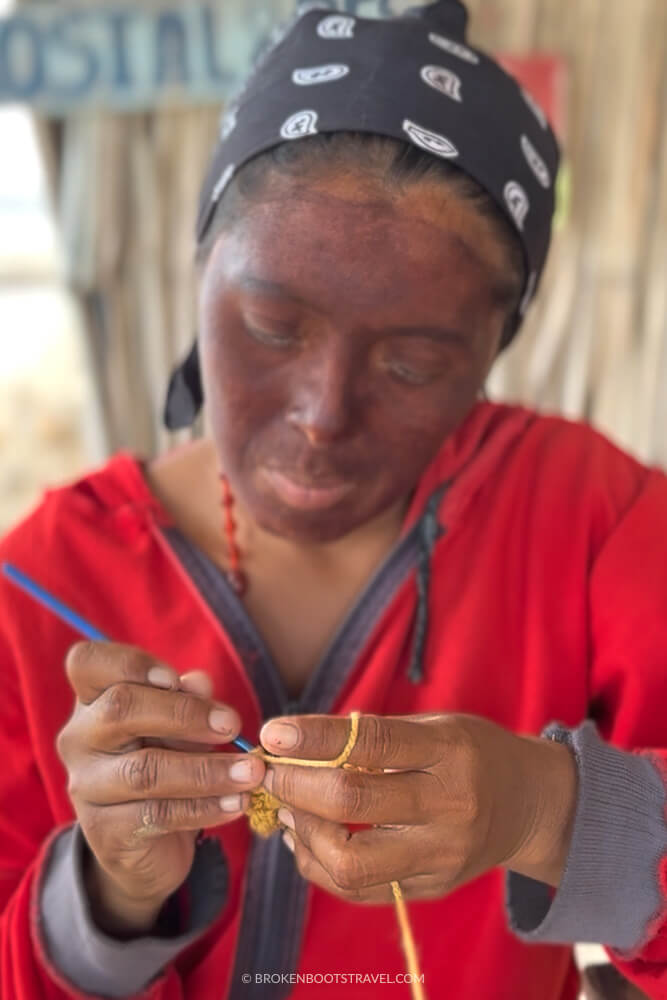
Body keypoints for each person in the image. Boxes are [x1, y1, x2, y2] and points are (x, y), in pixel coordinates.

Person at [0, 2, 665, 998]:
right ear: (200, 273)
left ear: (492, 352)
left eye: (411, 362)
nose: (322, 413)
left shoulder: (592, 521)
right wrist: (104, 896)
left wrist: (549, 810)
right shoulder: (40, 583)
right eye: (270, 325)